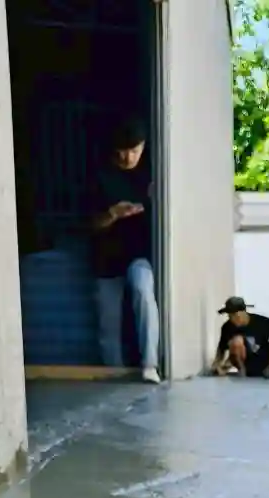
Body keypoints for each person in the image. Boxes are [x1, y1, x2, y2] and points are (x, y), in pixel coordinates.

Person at [90, 116, 161, 384]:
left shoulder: (154, 170)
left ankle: (150, 364)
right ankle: (113, 372)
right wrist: (113, 214)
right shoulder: (101, 174)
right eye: (123, 151)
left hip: (139, 252)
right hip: (106, 257)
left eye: (135, 150)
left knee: (143, 292)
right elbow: (89, 223)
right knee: (108, 322)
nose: (129, 157)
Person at [212, 298, 269, 378]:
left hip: (264, 357)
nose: (233, 319)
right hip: (244, 361)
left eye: (236, 316)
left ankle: (268, 369)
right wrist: (216, 364)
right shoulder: (227, 327)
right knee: (237, 341)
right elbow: (221, 349)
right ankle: (242, 371)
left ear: (244, 312)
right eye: (230, 316)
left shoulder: (261, 322)